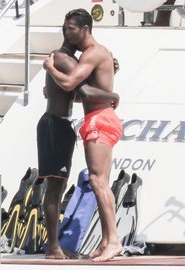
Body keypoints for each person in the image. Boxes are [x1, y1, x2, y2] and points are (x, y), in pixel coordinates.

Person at [43, 8, 123, 261]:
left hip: (100, 119)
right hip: (99, 118)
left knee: (98, 182)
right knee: (101, 182)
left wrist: (50, 68)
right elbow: (84, 90)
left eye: (71, 29)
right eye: (65, 28)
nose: (66, 32)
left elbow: (69, 84)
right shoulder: (98, 54)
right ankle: (107, 241)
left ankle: (114, 241)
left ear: (85, 29)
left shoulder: (92, 53)